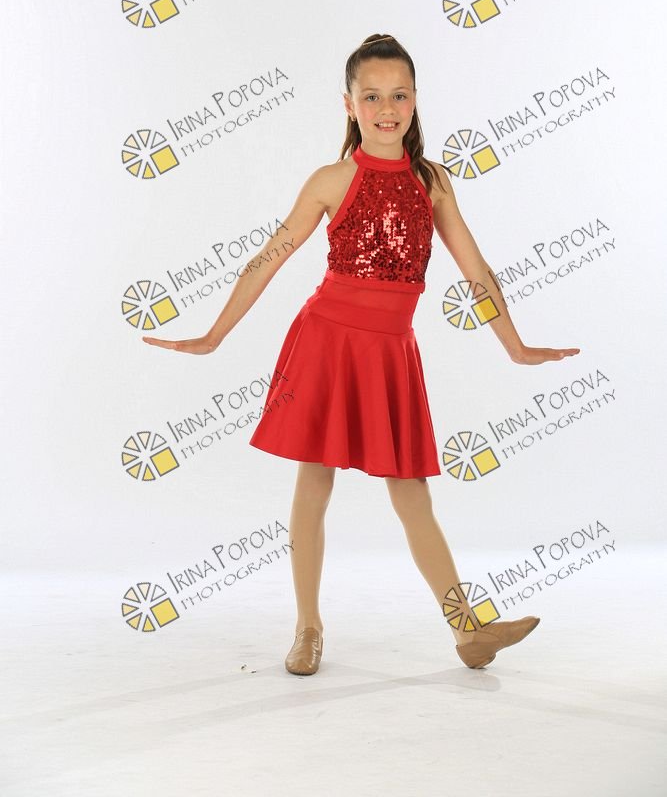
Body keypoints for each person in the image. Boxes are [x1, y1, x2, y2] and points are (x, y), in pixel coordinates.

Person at [143, 33, 580, 676]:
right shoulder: (332, 180)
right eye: (371, 96)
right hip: (327, 342)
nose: (385, 108)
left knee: (412, 491)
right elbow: (267, 259)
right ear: (348, 104)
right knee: (315, 479)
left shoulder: (431, 182)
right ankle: (307, 627)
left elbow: (477, 268)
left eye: (398, 95)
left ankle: (467, 631)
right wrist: (214, 335)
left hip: (391, 352)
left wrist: (513, 345)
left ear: (415, 101)